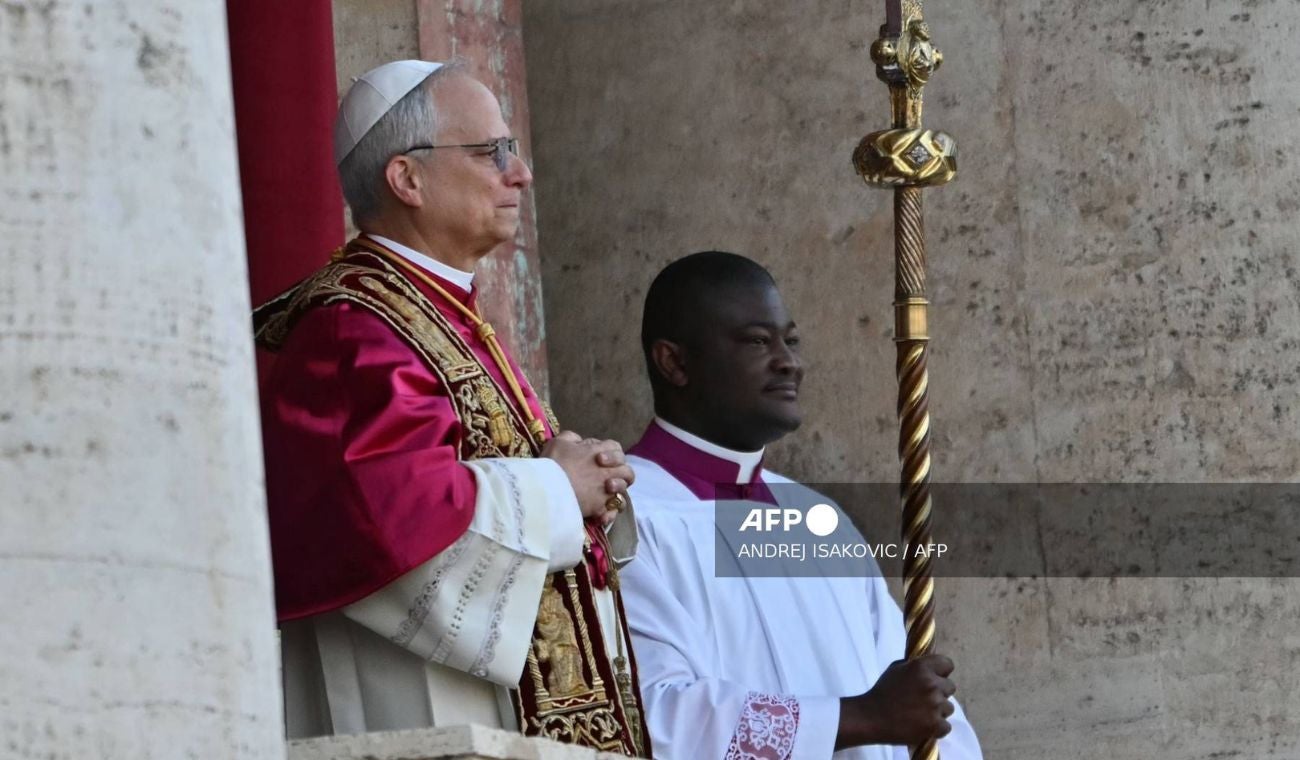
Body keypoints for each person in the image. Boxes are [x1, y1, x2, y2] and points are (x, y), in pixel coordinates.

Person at [254, 60, 648, 756]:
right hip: (416, 704)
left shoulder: (442, 313)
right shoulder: (354, 327)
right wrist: (557, 489)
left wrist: (586, 485)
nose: (520, 173)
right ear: (407, 179)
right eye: (492, 152)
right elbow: (383, 512)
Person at [619, 251, 982, 759]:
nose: (789, 361)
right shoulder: (623, 518)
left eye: (790, 340)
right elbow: (649, 717)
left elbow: (916, 700)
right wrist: (862, 718)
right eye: (756, 341)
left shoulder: (819, 523)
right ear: (674, 362)